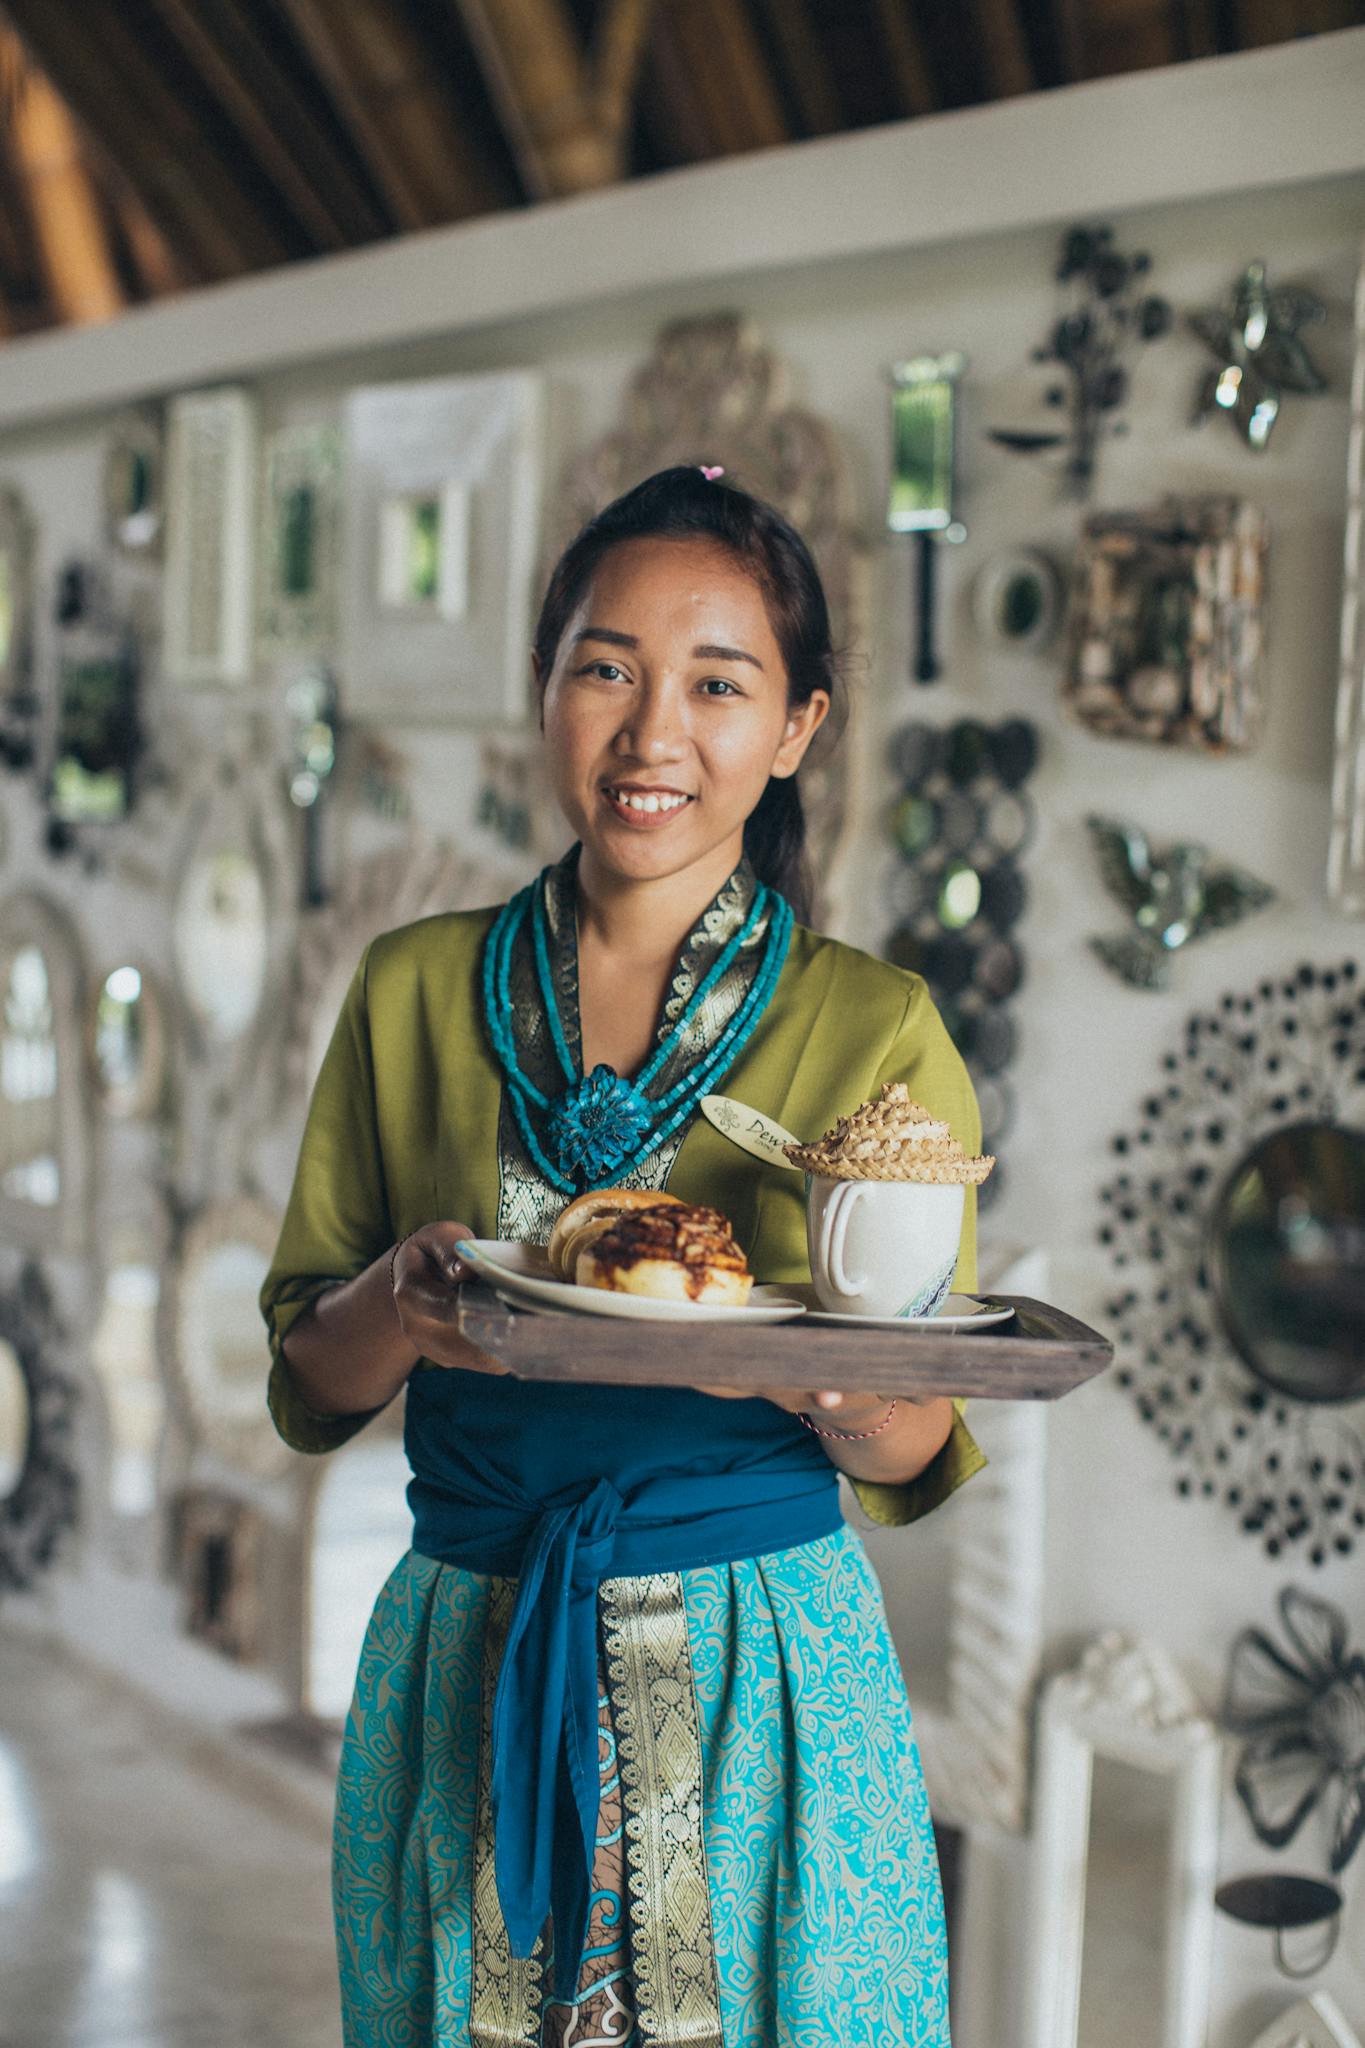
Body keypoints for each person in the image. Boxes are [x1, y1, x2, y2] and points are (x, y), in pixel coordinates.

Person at [261, 463, 988, 2048]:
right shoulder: (410, 991)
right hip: (475, 1638)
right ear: (543, 690)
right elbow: (307, 1387)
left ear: (795, 727)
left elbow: (916, 1437)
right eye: (605, 669)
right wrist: (400, 1303)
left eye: (717, 685)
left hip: (762, 1672)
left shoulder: (874, 1031)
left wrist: (787, 1374)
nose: (654, 734)